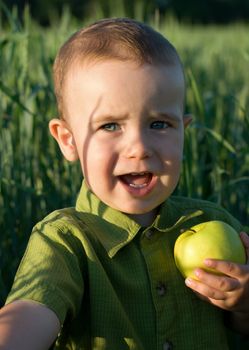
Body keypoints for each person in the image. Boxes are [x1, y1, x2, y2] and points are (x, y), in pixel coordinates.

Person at [0, 18, 248, 350]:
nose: (140, 147)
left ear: (184, 132)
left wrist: (243, 302)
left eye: (159, 124)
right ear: (68, 140)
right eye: (111, 126)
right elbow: (30, 313)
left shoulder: (213, 222)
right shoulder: (65, 241)